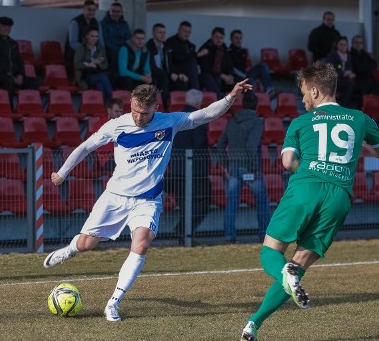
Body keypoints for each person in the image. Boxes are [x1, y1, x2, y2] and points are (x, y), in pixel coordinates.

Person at [42, 79, 252, 322]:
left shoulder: (169, 122)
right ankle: (69, 250)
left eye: (144, 113)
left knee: (140, 244)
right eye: (135, 111)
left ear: (156, 108)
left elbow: (204, 115)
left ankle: (113, 303)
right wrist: (62, 172)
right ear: (130, 103)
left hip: (147, 200)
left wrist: (230, 97)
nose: (139, 117)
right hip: (115, 197)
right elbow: (85, 147)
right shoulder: (116, 126)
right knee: (87, 243)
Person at [240, 62, 379, 341]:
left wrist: (307, 168)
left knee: (270, 254)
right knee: (298, 266)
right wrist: (360, 145)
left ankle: (282, 276)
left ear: (315, 90)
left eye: (304, 93)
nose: (303, 99)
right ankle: (253, 324)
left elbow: (287, 163)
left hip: (305, 188)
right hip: (338, 198)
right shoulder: (359, 118)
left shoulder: (299, 122)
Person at [216, 92, 270, 243]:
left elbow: (220, 146)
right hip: (249, 168)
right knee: (262, 202)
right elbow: (252, 146)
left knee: (232, 202)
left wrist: (226, 166)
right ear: (257, 106)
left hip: (233, 167)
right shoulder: (256, 122)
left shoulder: (232, 121)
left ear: (243, 105)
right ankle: (264, 235)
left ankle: (229, 236)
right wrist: (253, 168)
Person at [165, 89, 212, 245]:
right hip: (195, 167)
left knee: (184, 204)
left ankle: (184, 237)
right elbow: (199, 143)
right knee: (204, 201)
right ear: (199, 103)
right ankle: (184, 233)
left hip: (177, 167)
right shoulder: (198, 118)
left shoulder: (175, 118)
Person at [0, 16, 39, 98]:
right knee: (8, 80)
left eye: (9, 27)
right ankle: (9, 109)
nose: (7, 29)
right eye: (4, 26)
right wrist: (9, 75)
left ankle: (29, 107)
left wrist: (20, 75)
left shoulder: (13, 43)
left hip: (13, 76)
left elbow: (19, 62)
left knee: (34, 81)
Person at [147, 23, 189, 111]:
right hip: (155, 75)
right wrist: (170, 75)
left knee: (182, 81)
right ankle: (165, 109)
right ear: (153, 33)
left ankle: (180, 110)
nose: (162, 35)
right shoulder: (149, 46)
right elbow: (152, 67)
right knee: (164, 78)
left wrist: (178, 74)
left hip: (166, 74)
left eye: (164, 33)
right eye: (160, 33)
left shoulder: (166, 46)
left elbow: (170, 64)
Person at [228, 29, 274, 95]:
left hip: (245, 74)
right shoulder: (228, 52)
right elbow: (232, 69)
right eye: (236, 38)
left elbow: (244, 66)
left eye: (240, 38)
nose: (238, 40)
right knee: (251, 82)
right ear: (231, 39)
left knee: (263, 66)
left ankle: (269, 90)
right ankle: (251, 101)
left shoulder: (243, 51)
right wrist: (245, 76)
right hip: (236, 77)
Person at [74, 26, 112, 103]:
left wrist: (99, 64)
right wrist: (88, 64)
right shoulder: (81, 48)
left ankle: (104, 107)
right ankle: (112, 102)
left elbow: (106, 64)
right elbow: (76, 64)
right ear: (86, 36)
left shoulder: (100, 48)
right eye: (92, 36)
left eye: (96, 36)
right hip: (85, 75)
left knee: (100, 85)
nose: (94, 38)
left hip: (97, 72)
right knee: (103, 77)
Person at [198, 26, 235, 97]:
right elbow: (205, 68)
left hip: (221, 76)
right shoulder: (205, 48)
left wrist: (230, 75)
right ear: (212, 37)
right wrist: (221, 75)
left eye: (221, 38)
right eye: (217, 37)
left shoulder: (225, 49)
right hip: (206, 76)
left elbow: (230, 65)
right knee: (212, 78)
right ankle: (220, 101)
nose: (219, 40)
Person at [64, 0, 103, 64]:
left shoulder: (97, 22)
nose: (92, 12)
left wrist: (101, 51)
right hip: (76, 52)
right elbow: (73, 43)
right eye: (89, 10)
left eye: (94, 10)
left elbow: (101, 40)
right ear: (83, 9)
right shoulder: (75, 22)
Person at [165, 21, 200, 89]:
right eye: (184, 31)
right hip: (175, 70)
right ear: (178, 30)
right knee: (192, 63)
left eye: (189, 32)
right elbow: (176, 58)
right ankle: (195, 91)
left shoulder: (191, 45)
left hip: (189, 70)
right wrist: (194, 54)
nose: (187, 34)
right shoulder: (170, 42)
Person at [100, 1, 131, 75]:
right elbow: (104, 40)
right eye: (113, 11)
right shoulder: (103, 23)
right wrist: (119, 50)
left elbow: (128, 38)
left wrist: (124, 49)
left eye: (118, 11)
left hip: (123, 50)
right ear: (109, 11)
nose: (115, 14)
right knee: (115, 56)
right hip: (110, 51)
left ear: (121, 13)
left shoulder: (125, 24)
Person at [326, 36, 356, 108]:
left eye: (345, 44)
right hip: (334, 80)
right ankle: (341, 106)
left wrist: (351, 73)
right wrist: (344, 73)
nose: (343, 46)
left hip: (346, 80)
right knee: (350, 85)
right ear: (337, 45)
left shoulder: (349, 56)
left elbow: (350, 68)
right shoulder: (332, 56)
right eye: (341, 44)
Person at [349, 34, 377, 102]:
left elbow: (374, 64)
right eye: (356, 42)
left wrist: (364, 66)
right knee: (365, 87)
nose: (359, 44)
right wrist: (367, 66)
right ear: (353, 43)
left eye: (360, 43)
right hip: (358, 79)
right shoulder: (350, 54)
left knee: (378, 86)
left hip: (368, 78)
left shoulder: (364, 53)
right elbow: (357, 68)